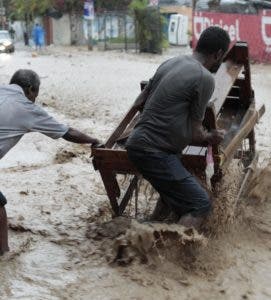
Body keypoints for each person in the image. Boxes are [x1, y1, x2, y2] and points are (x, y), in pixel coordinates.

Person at [126, 26, 231, 229]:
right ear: (218, 54)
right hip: (156, 152)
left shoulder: (171, 61)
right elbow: (195, 132)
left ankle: (147, 235)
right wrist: (212, 136)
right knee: (200, 204)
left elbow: (139, 103)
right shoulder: (205, 78)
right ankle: (169, 256)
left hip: (136, 143)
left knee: (172, 195)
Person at [0, 69, 100, 255]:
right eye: (35, 95)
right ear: (30, 89)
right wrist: (93, 140)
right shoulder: (27, 107)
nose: (35, 99)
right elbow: (67, 132)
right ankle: (4, 256)